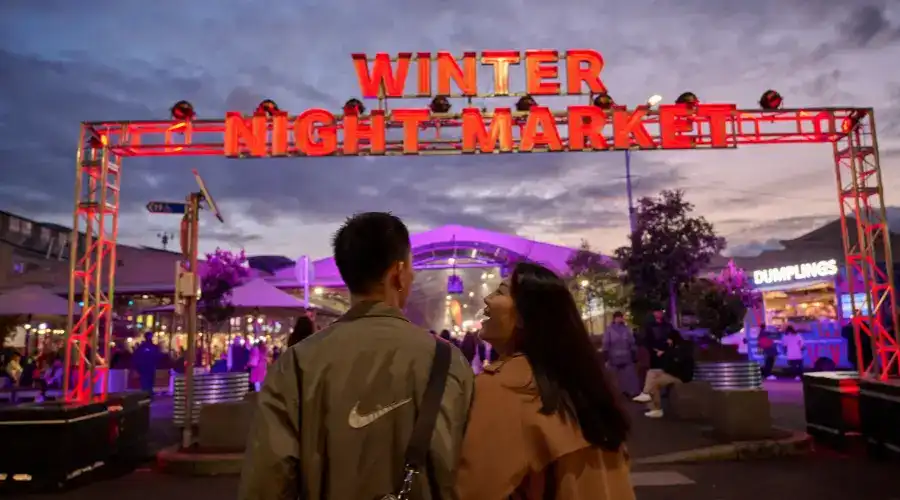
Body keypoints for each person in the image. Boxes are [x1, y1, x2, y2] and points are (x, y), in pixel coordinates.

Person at [239, 212, 474, 500]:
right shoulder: (446, 361)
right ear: (398, 273)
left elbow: (266, 483)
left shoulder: (297, 364)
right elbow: (469, 474)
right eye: (411, 268)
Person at [456, 263, 634, 500]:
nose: (487, 299)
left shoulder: (503, 387)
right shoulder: (583, 382)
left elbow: (472, 490)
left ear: (523, 316)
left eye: (500, 292)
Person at [640, 330, 694, 418]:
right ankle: (646, 394)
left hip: (679, 376)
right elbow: (668, 363)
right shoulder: (673, 348)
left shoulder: (682, 349)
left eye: (669, 339)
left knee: (655, 383)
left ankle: (656, 409)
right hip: (671, 372)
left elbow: (676, 364)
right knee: (651, 373)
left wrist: (665, 355)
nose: (668, 341)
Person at [633, 309, 675, 403]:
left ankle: (652, 395)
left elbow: (673, 339)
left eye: (660, 311)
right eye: (657, 312)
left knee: (660, 375)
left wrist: (665, 349)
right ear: (654, 313)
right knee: (653, 375)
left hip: (666, 355)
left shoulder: (668, 326)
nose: (659, 313)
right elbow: (646, 340)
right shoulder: (649, 326)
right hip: (654, 354)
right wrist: (654, 350)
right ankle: (653, 399)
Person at [602, 311, 639, 397]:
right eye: (618, 317)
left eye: (620, 317)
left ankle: (631, 392)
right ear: (614, 319)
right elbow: (606, 343)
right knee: (618, 376)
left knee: (629, 375)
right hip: (615, 358)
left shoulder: (626, 329)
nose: (619, 319)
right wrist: (606, 357)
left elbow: (631, 342)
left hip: (625, 356)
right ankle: (623, 392)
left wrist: (634, 353)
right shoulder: (610, 330)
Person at [133, 331, 161, 395]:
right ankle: (148, 395)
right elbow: (158, 357)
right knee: (150, 383)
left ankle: (146, 395)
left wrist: (137, 368)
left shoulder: (141, 347)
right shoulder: (154, 347)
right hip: (150, 367)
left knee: (145, 383)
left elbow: (136, 358)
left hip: (143, 368)